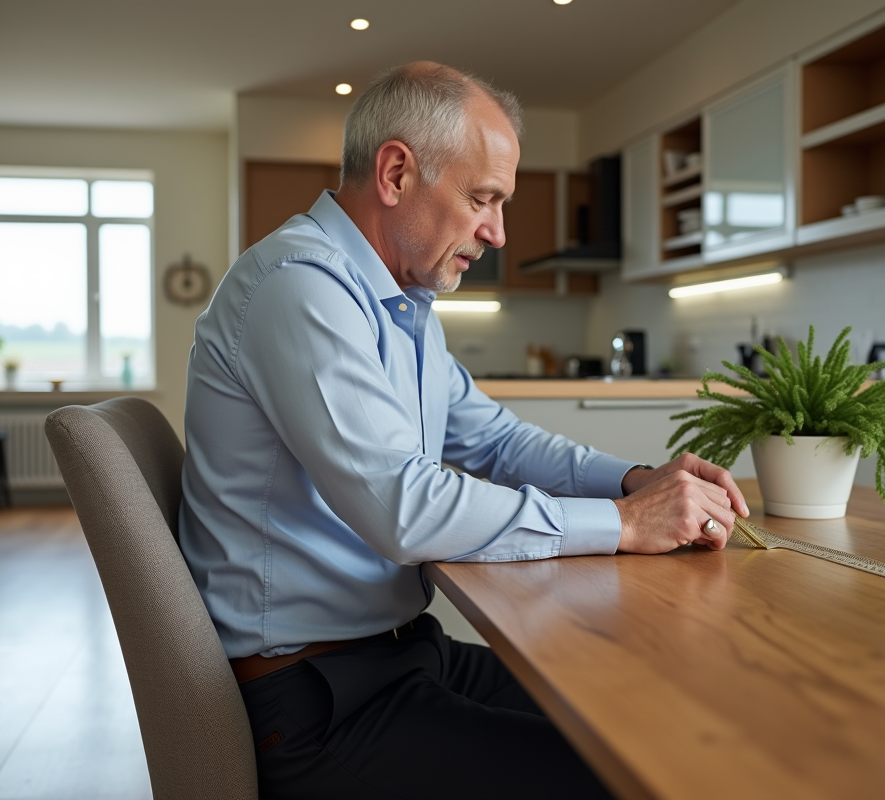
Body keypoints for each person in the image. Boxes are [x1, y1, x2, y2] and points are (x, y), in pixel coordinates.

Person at [180, 61, 748, 800]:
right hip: (318, 700)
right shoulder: (300, 287)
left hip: (401, 656)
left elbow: (497, 441)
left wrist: (635, 482)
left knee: (642, 721)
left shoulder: (401, 306)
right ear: (395, 174)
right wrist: (621, 524)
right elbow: (404, 509)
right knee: (626, 776)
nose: (499, 232)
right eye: (484, 198)